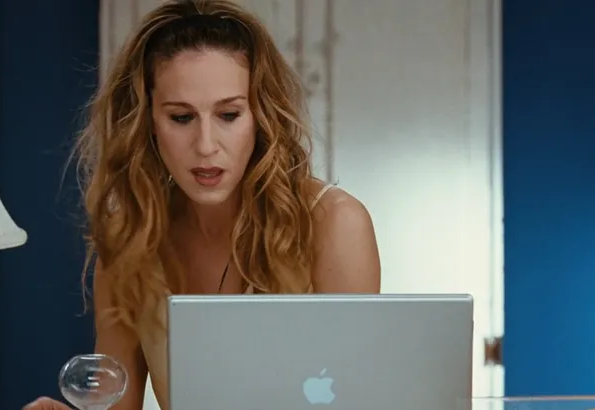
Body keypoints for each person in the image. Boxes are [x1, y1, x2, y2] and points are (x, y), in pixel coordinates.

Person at [24, 0, 380, 409]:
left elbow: (357, 398)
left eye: (228, 115)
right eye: (181, 118)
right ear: (147, 122)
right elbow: (116, 404)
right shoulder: (131, 239)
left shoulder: (335, 224)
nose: (206, 145)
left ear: (261, 116)